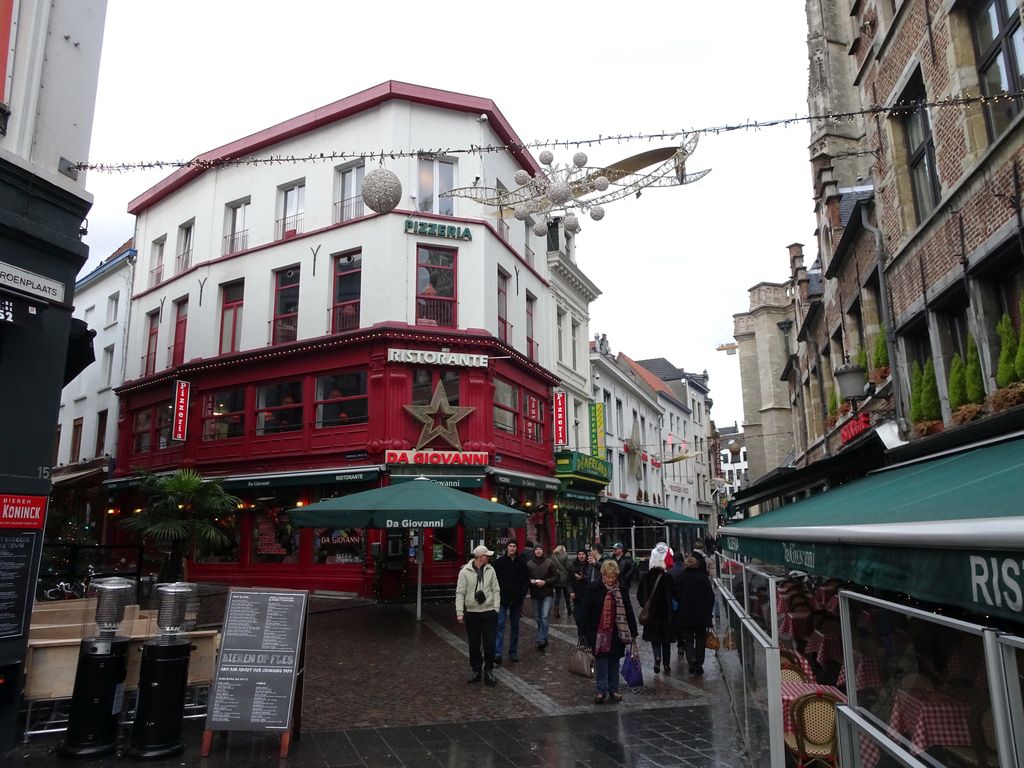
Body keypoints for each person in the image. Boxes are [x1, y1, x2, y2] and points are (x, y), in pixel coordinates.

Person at [582, 559, 639, 703]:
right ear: (603, 575)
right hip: (599, 632)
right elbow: (586, 610)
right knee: (601, 661)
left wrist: (633, 630)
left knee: (614, 661)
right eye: (608, 576)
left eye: (613, 576)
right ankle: (601, 690)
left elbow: (628, 609)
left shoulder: (621, 589)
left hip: (617, 631)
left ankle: (613, 689)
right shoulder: (594, 588)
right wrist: (582, 631)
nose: (611, 579)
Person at [455, 544, 501, 685]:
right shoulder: (464, 572)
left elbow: (496, 589)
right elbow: (460, 593)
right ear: (480, 557)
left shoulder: (490, 570)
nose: (489, 557)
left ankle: (488, 670)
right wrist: (459, 612)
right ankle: (476, 670)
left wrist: (496, 608)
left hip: (489, 611)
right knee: (474, 644)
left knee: (490, 643)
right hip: (473, 612)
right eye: (487, 555)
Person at [637, 557, 679, 674]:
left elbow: (639, 595)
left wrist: (645, 605)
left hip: (651, 615)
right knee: (666, 641)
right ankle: (666, 664)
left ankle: (657, 658)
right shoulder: (667, 577)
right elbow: (677, 594)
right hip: (666, 614)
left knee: (655, 640)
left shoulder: (645, 577)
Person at [676, 554, 715, 676]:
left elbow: (676, 596)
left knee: (688, 639)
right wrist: (708, 611)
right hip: (701, 615)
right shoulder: (703, 578)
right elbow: (711, 597)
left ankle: (691, 659)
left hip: (685, 614)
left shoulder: (680, 578)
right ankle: (699, 661)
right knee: (700, 638)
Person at [492, 541, 528, 665]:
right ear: (507, 548)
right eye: (510, 546)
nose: (512, 548)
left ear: (517, 548)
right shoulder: (499, 562)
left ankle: (513, 651)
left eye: (514, 546)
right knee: (500, 625)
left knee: (515, 627)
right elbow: (494, 579)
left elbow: (525, 580)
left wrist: (522, 593)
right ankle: (497, 653)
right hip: (502, 598)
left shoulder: (521, 563)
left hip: (516, 599)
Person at [525, 544, 557, 651]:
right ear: (534, 551)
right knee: (538, 617)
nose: (538, 551)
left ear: (543, 551)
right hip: (535, 594)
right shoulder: (529, 564)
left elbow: (557, 576)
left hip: (547, 593)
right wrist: (531, 581)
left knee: (544, 616)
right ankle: (542, 636)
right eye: (537, 549)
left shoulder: (549, 563)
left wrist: (545, 582)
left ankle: (542, 639)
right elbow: (526, 578)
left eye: (540, 549)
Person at [569, 549, 592, 642]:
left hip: (587, 595)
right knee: (578, 618)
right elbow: (569, 581)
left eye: (583, 554)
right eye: (579, 554)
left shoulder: (590, 565)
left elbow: (591, 580)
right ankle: (581, 635)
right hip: (577, 596)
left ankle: (585, 636)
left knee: (586, 617)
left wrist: (582, 578)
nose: (581, 556)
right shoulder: (573, 565)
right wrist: (571, 591)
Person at [551, 544, 572, 619]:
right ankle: (569, 610)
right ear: (563, 549)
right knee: (566, 596)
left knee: (557, 596)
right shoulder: (565, 556)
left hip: (557, 578)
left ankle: (556, 611)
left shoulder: (553, 557)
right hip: (564, 578)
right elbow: (567, 567)